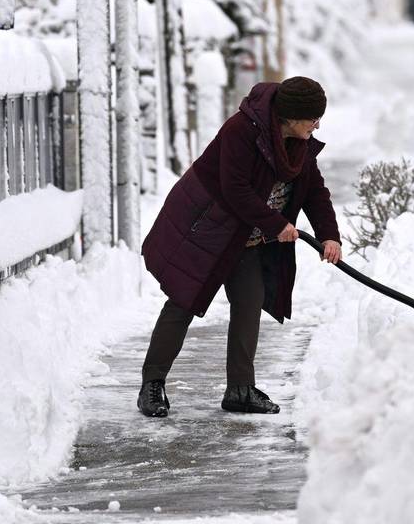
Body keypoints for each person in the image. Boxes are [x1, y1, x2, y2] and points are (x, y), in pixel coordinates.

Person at [137, 76, 342, 416]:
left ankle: (240, 389)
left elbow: (314, 191)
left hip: (247, 236)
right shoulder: (241, 131)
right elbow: (235, 189)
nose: (317, 124)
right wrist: (277, 224)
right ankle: (152, 385)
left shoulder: (299, 144)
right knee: (184, 301)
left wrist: (329, 235)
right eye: (312, 117)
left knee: (250, 300)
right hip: (207, 227)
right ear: (290, 116)